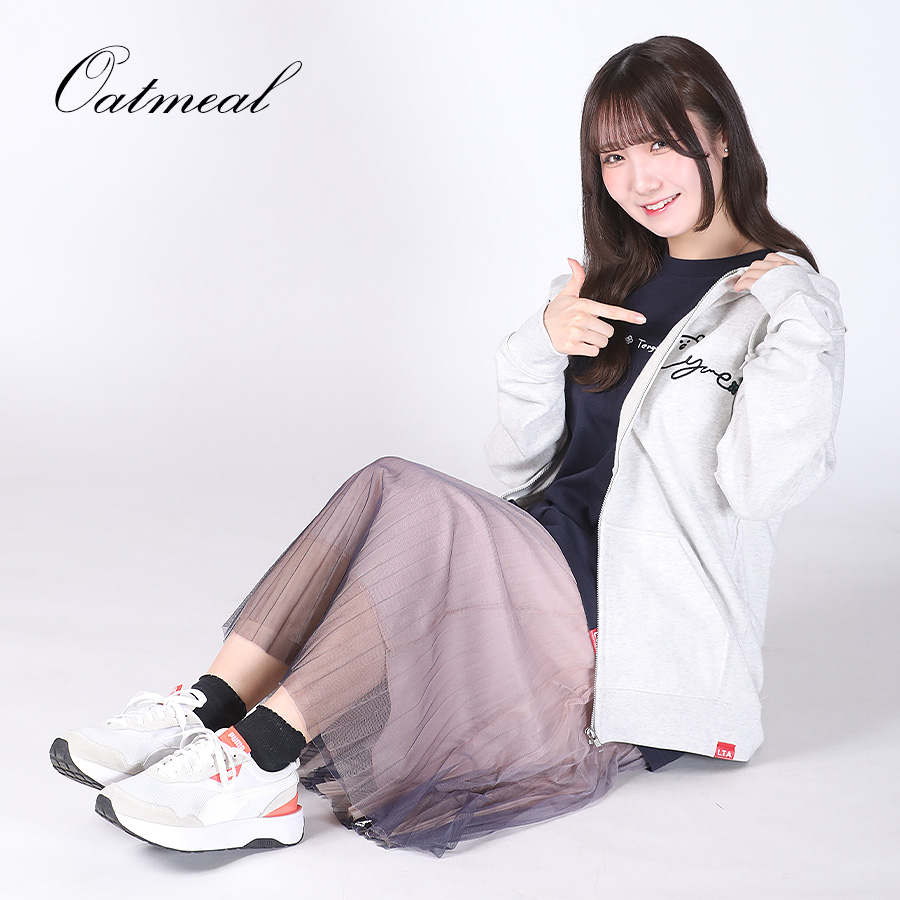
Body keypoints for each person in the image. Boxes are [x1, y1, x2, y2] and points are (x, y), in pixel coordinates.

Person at [49, 35, 845, 857]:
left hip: (624, 623)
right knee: (388, 488)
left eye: (661, 144)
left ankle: (257, 760)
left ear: (720, 136)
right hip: (537, 565)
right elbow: (519, 467)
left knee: (404, 489)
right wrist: (540, 344)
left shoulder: (782, 309)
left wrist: (800, 310)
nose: (639, 179)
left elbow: (760, 489)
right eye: (614, 156)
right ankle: (209, 709)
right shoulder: (606, 286)